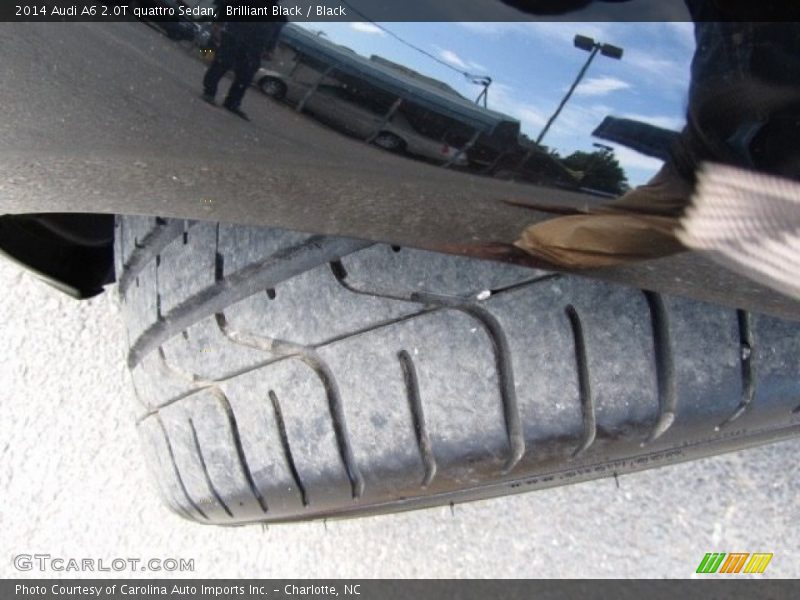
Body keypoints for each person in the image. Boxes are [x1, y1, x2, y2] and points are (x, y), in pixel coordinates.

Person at [202, 2, 286, 121]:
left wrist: (270, 49)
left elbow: (275, 33)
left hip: (255, 47)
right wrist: (218, 24)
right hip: (234, 36)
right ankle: (209, 92)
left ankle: (233, 103)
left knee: (246, 76)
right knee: (221, 64)